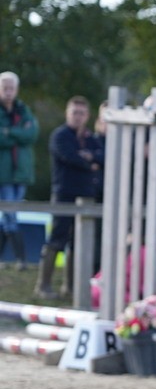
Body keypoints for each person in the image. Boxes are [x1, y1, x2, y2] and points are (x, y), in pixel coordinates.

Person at [39, 96, 103, 299]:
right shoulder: (60, 135)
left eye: (81, 113)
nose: (78, 117)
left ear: (87, 116)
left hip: (86, 196)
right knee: (57, 239)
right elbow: (69, 157)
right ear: (68, 113)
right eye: (74, 112)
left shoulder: (91, 138)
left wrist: (88, 157)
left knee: (79, 242)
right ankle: (43, 286)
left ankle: (71, 287)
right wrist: (89, 160)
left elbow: (103, 156)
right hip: (64, 194)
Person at [0, 72, 38, 269]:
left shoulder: (24, 110)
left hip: (21, 172)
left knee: (10, 214)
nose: (8, 92)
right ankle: (21, 258)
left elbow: (31, 134)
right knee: (10, 214)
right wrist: (18, 133)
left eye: (11, 88)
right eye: (4, 88)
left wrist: (9, 132)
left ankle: (6, 259)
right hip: (3, 173)